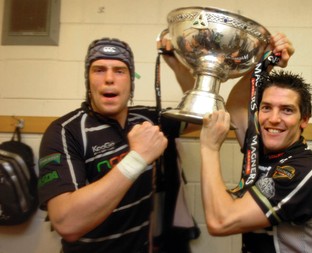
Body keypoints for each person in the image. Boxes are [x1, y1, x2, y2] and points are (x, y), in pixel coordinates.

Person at [37, 38, 196, 253]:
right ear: (88, 80)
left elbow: (198, 116)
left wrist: (177, 63)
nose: (109, 79)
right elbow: (66, 223)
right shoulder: (65, 131)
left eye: (120, 71)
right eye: (99, 70)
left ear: (131, 81)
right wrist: (137, 159)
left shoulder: (146, 120)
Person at [199, 70, 312, 252]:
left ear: (303, 120)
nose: (273, 119)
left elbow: (221, 221)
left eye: (287, 110)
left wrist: (209, 147)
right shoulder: (260, 150)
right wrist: (264, 61)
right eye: (266, 107)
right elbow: (236, 107)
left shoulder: (308, 170)